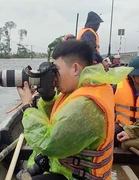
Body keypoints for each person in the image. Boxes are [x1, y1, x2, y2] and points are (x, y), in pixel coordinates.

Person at [17, 40, 132, 180]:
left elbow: (48, 144)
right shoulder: (88, 87)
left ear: (75, 68)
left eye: (56, 71)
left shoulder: (86, 104)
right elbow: (59, 119)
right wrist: (48, 98)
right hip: (69, 170)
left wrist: (27, 107)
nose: (53, 77)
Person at [114, 56, 139, 147]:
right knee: (107, 136)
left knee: (126, 144)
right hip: (123, 126)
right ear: (131, 75)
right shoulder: (117, 87)